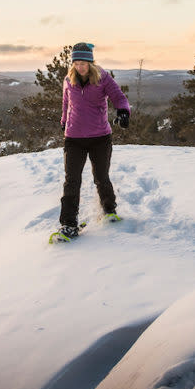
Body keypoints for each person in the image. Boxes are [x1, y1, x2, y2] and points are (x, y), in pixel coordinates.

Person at [55, 42, 130, 241]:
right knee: (72, 181)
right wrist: (64, 122)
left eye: (84, 63)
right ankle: (68, 224)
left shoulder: (103, 78)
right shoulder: (68, 80)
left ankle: (109, 209)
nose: (80, 67)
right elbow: (66, 103)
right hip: (74, 139)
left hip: (100, 138)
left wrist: (123, 112)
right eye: (77, 63)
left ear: (91, 62)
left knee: (101, 177)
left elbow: (119, 97)